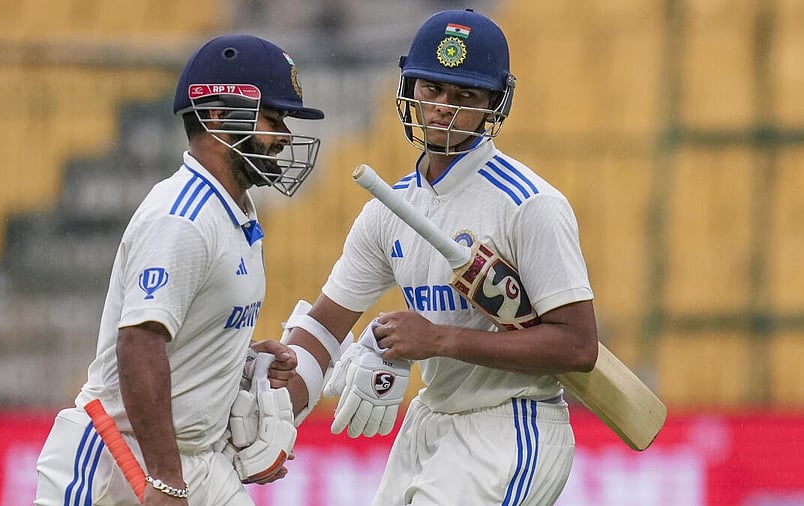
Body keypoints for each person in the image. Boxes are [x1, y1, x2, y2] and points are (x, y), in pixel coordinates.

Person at [281, 9, 598, 506]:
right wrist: (278, 412)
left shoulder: (530, 204)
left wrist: (439, 340)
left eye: (464, 96)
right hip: (430, 420)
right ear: (409, 88)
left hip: (511, 425)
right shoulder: (388, 209)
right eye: (432, 90)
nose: (442, 109)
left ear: (495, 103)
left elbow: (578, 348)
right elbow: (324, 326)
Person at [35, 34, 325, 506]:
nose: (285, 137)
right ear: (216, 114)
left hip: (196, 461)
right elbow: (139, 343)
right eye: (273, 118)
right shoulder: (182, 217)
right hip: (121, 459)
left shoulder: (233, 210)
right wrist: (166, 480)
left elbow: (177, 333)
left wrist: (242, 357)